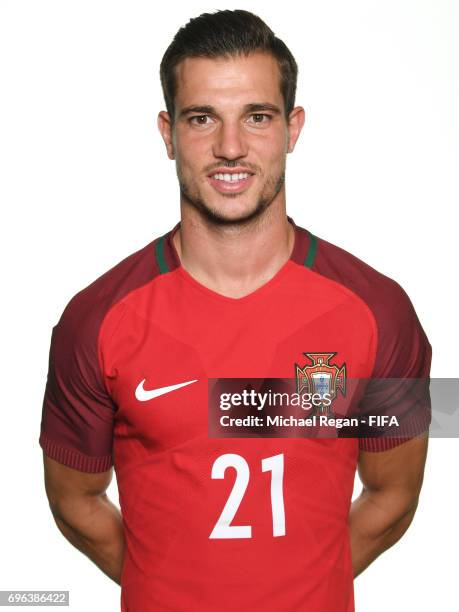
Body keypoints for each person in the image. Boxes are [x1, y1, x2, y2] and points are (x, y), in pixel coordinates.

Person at [39, 9, 432, 612]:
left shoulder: (381, 311)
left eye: (257, 117)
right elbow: (74, 500)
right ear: (168, 132)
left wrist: (296, 586)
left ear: (292, 128)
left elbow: (394, 495)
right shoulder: (94, 321)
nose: (230, 148)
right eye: (202, 119)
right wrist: (173, 584)